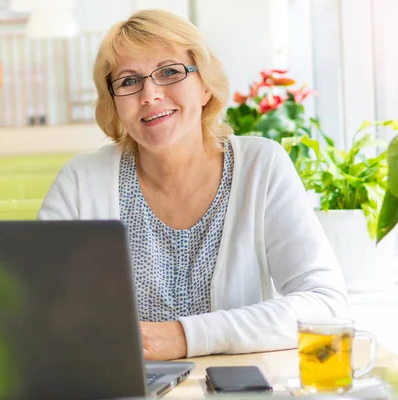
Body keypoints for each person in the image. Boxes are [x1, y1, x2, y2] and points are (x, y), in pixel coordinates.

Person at [38, 9, 347, 361]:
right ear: (114, 104)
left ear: (205, 86)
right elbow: (40, 311)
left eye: (170, 72)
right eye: (128, 81)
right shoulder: (81, 181)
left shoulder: (262, 166)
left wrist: (185, 337)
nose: (150, 95)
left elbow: (325, 304)